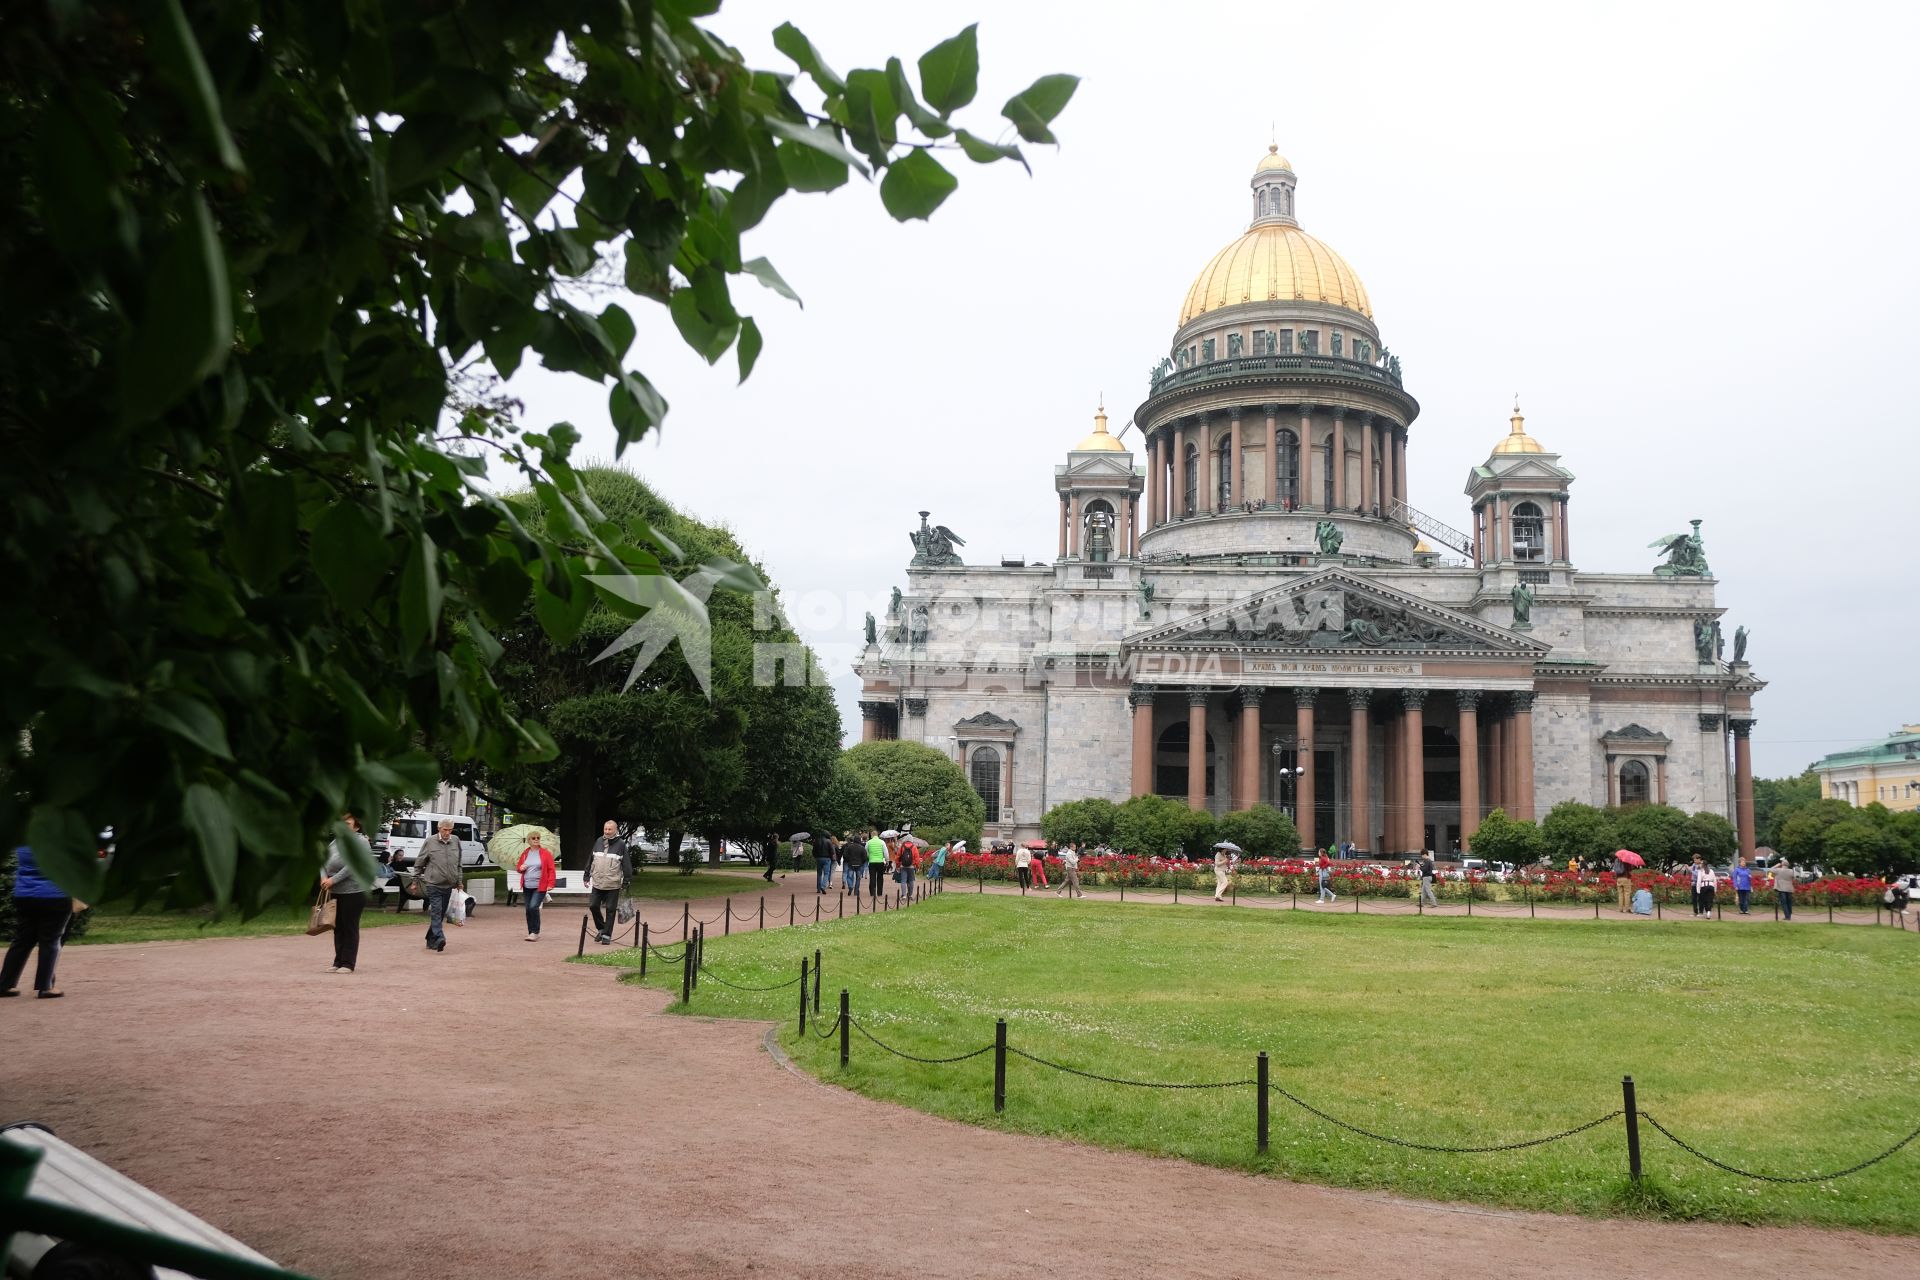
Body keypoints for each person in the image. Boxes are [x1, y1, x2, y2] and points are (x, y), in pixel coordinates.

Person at [2, 846, 82, 998]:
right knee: (51, 940)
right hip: (55, 894)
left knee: (22, 941)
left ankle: (5, 984)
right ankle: (46, 986)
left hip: (24, 894)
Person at [319, 815, 372, 972]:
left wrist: (333, 880)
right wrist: (323, 877)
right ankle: (338, 961)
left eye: (347, 823)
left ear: (356, 827)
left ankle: (348, 963)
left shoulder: (360, 842)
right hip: (336, 890)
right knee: (338, 927)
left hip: (354, 891)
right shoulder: (336, 841)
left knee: (349, 926)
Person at [412, 818, 464, 952]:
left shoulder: (456, 840)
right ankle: (440, 938)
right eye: (445, 829)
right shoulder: (430, 842)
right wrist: (415, 880)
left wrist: (459, 881)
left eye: (450, 830)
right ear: (439, 829)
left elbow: (458, 864)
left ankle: (430, 940)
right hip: (433, 883)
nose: (447, 832)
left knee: (440, 914)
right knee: (436, 911)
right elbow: (420, 861)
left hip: (449, 884)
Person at [586, 820, 631, 945]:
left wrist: (626, 880)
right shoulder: (599, 841)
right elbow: (591, 858)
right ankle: (602, 929)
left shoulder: (621, 844)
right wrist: (586, 875)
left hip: (613, 883)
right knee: (593, 906)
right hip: (598, 882)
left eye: (610, 829)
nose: (607, 832)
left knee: (610, 909)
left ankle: (606, 935)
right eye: (605, 829)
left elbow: (626, 863)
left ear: (615, 830)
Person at [515, 830, 556, 940]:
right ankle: (531, 932)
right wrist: (521, 868)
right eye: (533, 838)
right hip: (527, 885)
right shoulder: (525, 854)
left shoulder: (545, 853)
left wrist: (551, 884)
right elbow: (519, 867)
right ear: (529, 840)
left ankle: (535, 932)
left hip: (540, 886)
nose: (536, 839)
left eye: (538, 838)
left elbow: (551, 869)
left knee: (533, 907)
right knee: (528, 909)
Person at [1771, 856, 1796, 921]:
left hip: (1781, 889)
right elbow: (1793, 877)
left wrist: (1776, 865)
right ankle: (1789, 915)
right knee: (1789, 902)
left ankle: (1787, 916)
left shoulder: (1778, 870)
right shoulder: (1791, 871)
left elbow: (1771, 870)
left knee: (1784, 903)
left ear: (1782, 864)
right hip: (1789, 888)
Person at [865, 830, 889, 900]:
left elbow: (866, 852)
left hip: (872, 862)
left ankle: (872, 892)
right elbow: (886, 852)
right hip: (880, 862)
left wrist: (869, 857)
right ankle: (879, 892)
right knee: (880, 877)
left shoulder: (868, 842)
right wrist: (887, 861)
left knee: (872, 877)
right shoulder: (882, 842)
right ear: (877, 835)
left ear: (872, 835)